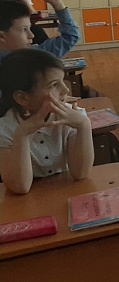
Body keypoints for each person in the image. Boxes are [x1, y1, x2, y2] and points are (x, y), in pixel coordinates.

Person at [0, 49, 94, 194]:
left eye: (63, 81)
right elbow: (20, 187)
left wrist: (84, 125)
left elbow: (81, 173)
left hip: (66, 192)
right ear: (23, 98)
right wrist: (22, 134)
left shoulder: (73, 117)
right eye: (54, 85)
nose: (65, 89)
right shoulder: (5, 129)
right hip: (28, 202)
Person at [0, 0, 80, 67]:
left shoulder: (35, 54)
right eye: (24, 29)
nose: (31, 35)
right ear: (1, 36)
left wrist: (58, 4)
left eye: (29, 28)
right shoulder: (32, 56)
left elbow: (71, 37)